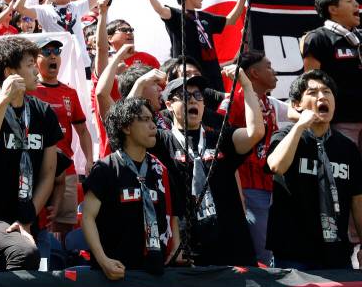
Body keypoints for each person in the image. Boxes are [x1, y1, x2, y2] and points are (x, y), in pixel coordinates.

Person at [0, 37, 62, 271]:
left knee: (46, 267)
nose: (37, 70)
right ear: (9, 72)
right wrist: (3, 100)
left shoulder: (43, 112)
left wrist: (26, 219)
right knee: (24, 252)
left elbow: (48, 174)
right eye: (29, 65)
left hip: (27, 217)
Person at [152, 67, 263, 267]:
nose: (193, 100)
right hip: (189, 249)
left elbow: (255, 133)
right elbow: (126, 128)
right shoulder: (161, 141)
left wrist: (246, 85)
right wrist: (142, 83)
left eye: (198, 95)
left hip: (232, 246)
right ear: (169, 105)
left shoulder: (221, 137)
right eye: (184, 96)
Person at [266, 70, 362, 270]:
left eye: (327, 92)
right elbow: (276, 165)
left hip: (337, 254)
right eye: (313, 92)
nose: (322, 97)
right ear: (296, 105)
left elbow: (357, 201)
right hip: (294, 255)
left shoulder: (347, 148)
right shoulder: (284, 137)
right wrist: (299, 126)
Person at [82, 97, 181, 279]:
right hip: (115, 275)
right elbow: (87, 218)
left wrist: (176, 246)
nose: (153, 126)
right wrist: (104, 260)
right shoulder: (105, 169)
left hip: (155, 273)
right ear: (126, 127)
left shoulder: (161, 169)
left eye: (152, 119)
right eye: (144, 120)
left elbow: (173, 212)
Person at [217, 50, 287, 266]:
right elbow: (221, 144)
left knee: (275, 250)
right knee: (262, 254)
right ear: (254, 74)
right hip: (248, 188)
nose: (274, 71)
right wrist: (239, 196)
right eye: (268, 66)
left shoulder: (268, 102)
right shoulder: (233, 100)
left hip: (270, 185)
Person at [31, 39, 93, 232]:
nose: (52, 56)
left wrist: (90, 160)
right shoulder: (28, 91)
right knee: (37, 223)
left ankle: (64, 261)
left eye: (56, 51)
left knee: (65, 226)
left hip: (66, 170)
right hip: (37, 170)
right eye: (46, 52)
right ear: (34, 61)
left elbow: (82, 130)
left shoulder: (69, 92)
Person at [147, 0, 249, 92]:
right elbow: (160, 10)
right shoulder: (175, 15)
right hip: (189, 73)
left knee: (217, 104)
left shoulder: (205, 17)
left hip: (212, 72)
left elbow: (231, 20)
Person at [301, 0, 362, 149]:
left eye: (356, 1)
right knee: (348, 171)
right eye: (350, 1)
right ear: (333, 9)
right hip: (341, 122)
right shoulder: (317, 38)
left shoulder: (360, 37)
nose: (357, 5)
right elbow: (312, 83)